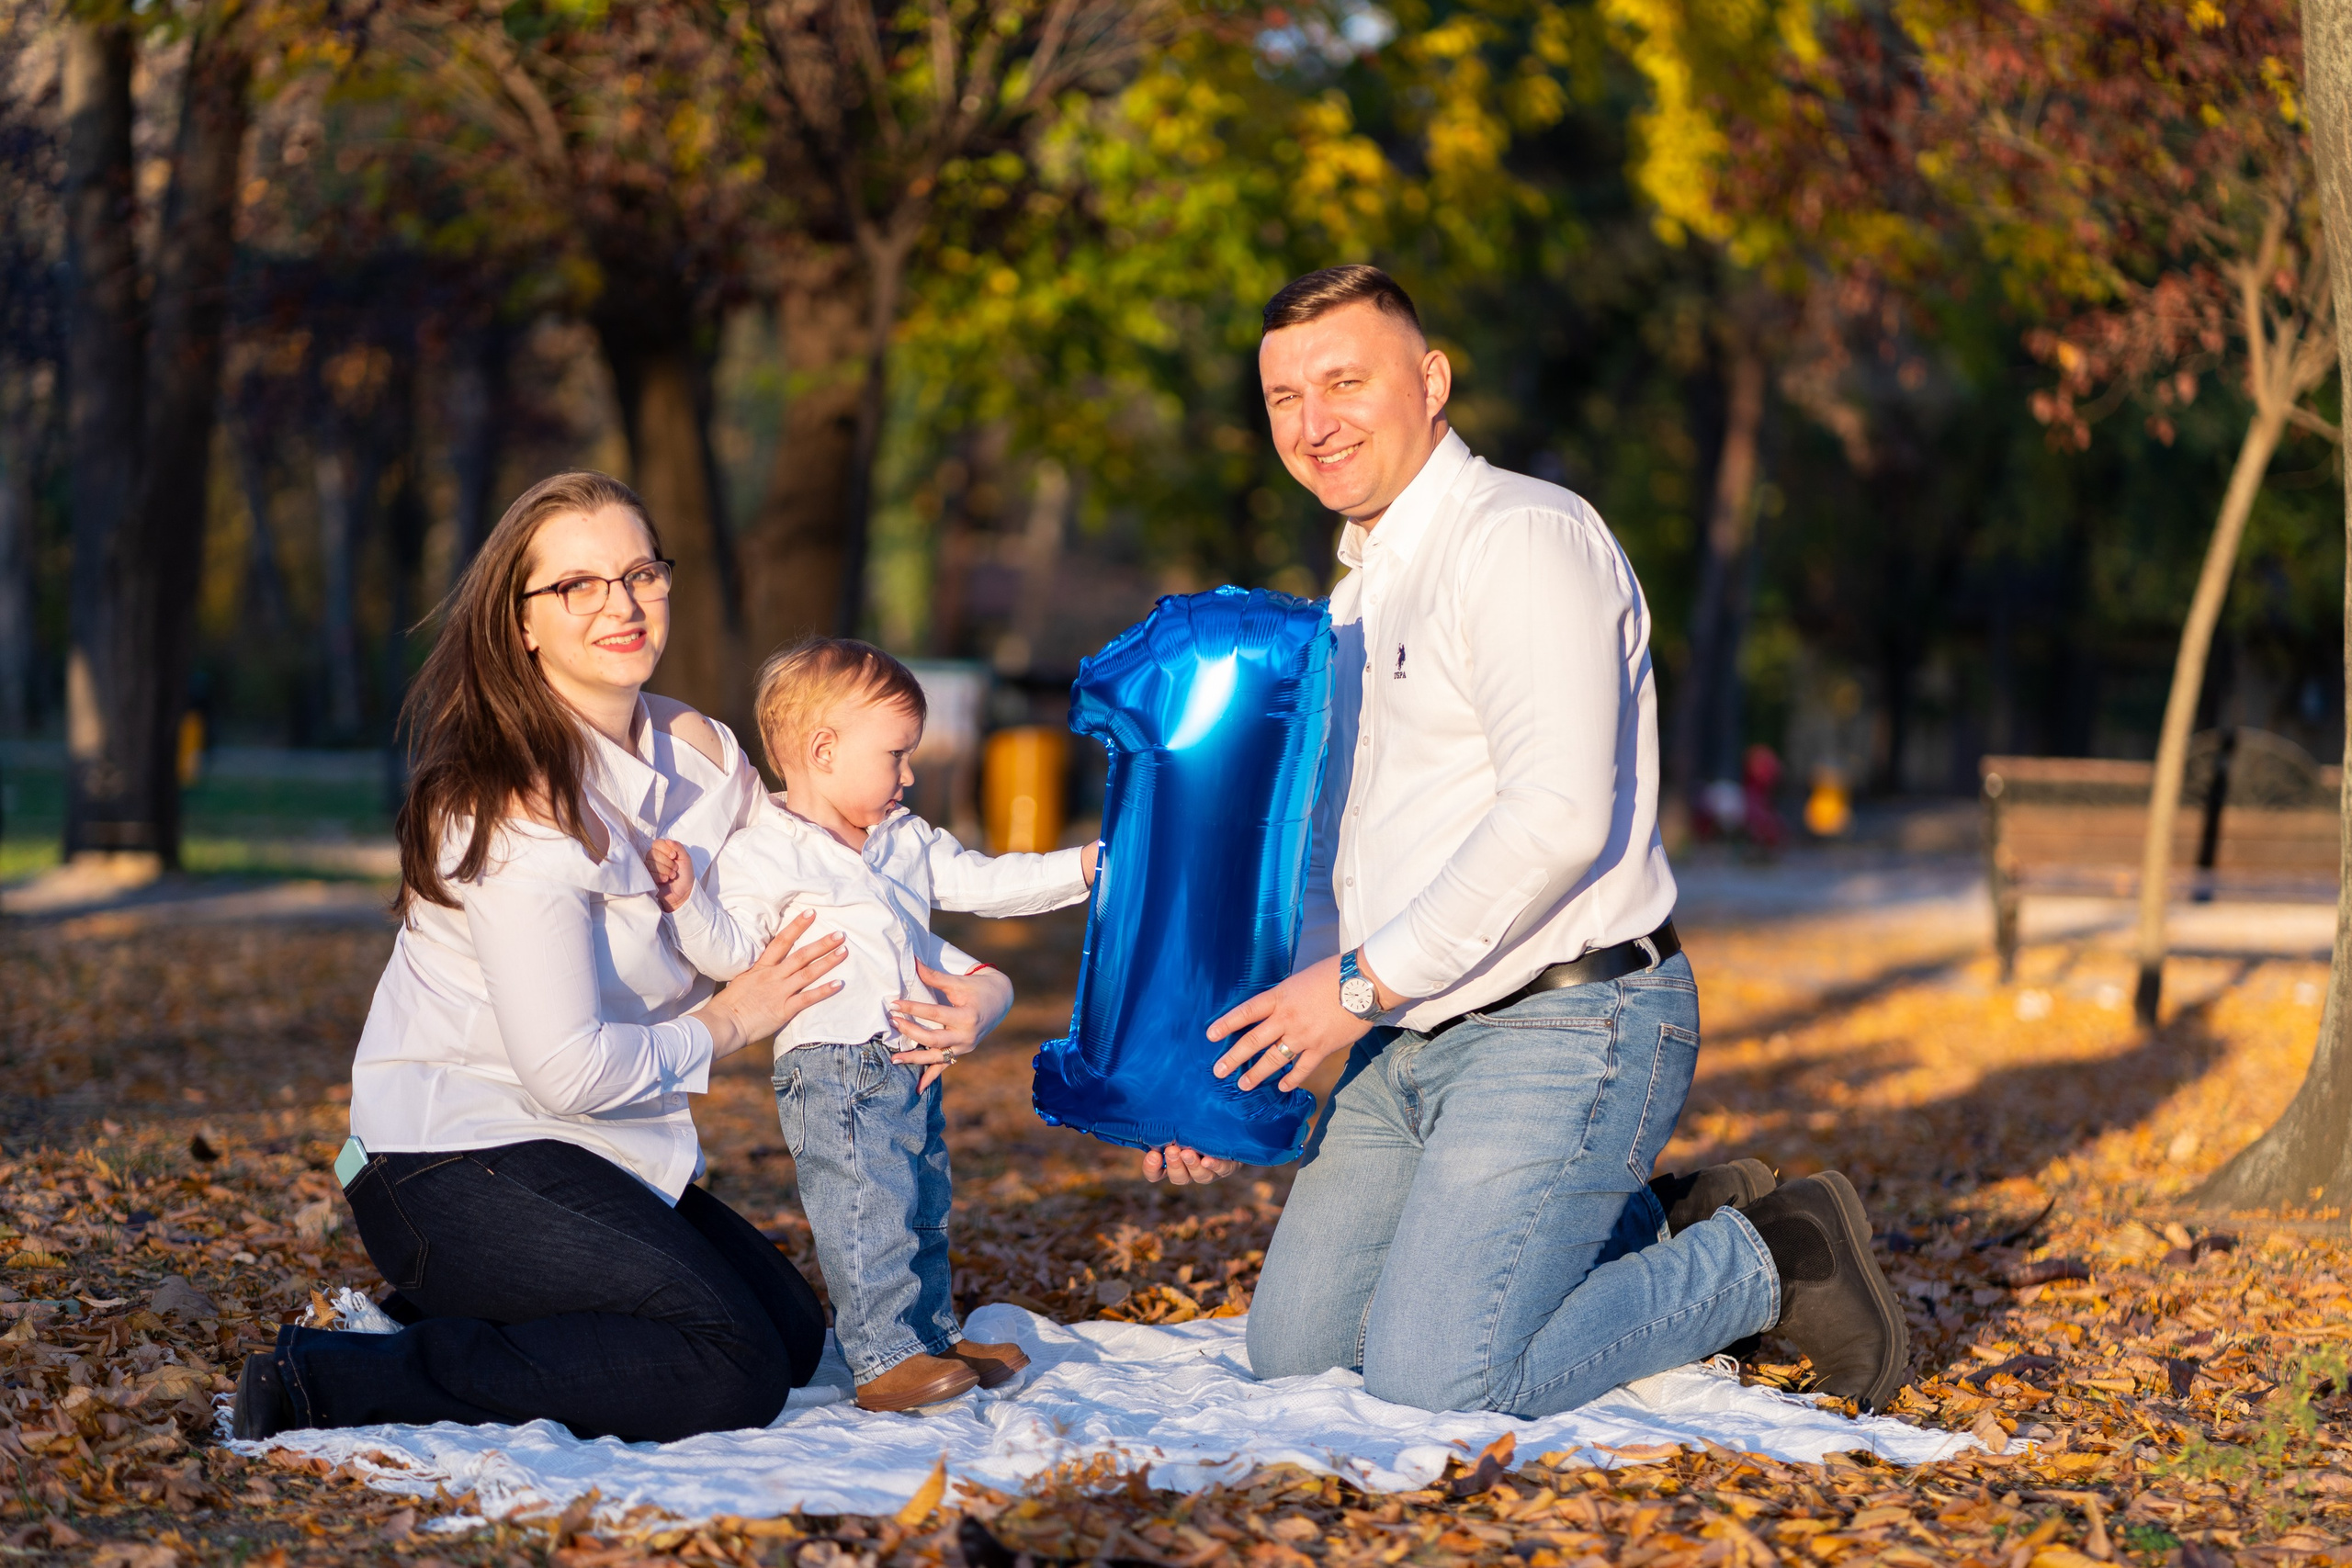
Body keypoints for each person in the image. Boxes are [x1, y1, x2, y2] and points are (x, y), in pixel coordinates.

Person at [1144, 265, 1909, 1416]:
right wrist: (1223, 1068)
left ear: (1432, 380)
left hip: (1571, 1018)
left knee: (1439, 1376)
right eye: (1283, 398)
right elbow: (1341, 862)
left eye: (1344, 382)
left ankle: (1766, 1253)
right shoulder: (1352, 601)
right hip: (1402, 1036)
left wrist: (1348, 991)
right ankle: (1643, 1219)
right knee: (1297, 1355)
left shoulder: (1523, 537)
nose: (1312, 425)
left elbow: (1555, 817)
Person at [232, 472, 926, 1443]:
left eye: (640, 573)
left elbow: (820, 884)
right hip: (450, 1160)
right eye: (578, 586)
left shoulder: (705, 754)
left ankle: (492, 1317)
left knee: (790, 1332)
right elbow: (563, 1072)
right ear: (522, 624)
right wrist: (731, 1019)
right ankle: (332, 1377)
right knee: (730, 1369)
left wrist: (961, 986)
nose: (621, 603)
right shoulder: (506, 802)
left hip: (598, 1149)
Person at [648, 638, 1099, 1411]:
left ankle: (929, 1333)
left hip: (907, 1061)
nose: (910, 775)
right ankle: (883, 1355)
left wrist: (1083, 867)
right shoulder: (765, 853)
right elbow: (732, 952)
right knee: (868, 1207)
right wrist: (689, 901)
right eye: (897, 755)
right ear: (824, 751)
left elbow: (986, 882)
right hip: (832, 1068)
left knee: (922, 1201)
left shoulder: (904, 840)